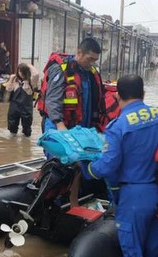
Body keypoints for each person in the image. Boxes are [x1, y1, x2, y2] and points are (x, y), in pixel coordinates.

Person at [80, 74, 158, 257]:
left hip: (135, 196)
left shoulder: (118, 126)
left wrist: (87, 169)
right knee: (155, 247)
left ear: (117, 96)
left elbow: (108, 165)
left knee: (132, 248)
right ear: (144, 93)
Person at [38, 37, 105, 207]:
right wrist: (60, 126)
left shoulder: (90, 74)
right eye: (89, 59)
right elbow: (52, 101)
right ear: (79, 52)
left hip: (80, 129)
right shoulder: (61, 70)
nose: (91, 63)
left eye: (95, 60)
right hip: (59, 128)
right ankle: (48, 201)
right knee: (59, 166)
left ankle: (72, 203)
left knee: (78, 167)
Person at [6, 63, 39, 137]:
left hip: (26, 108)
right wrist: (11, 79)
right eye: (19, 71)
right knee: (12, 128)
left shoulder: (31, 81)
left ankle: (26, 144)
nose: (20, 73)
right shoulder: (15, 80)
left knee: (27, 129)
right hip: (14, 107)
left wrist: (28, 65)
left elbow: (36, 74)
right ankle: (12, 143)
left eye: (22, 71)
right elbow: (8, 89)